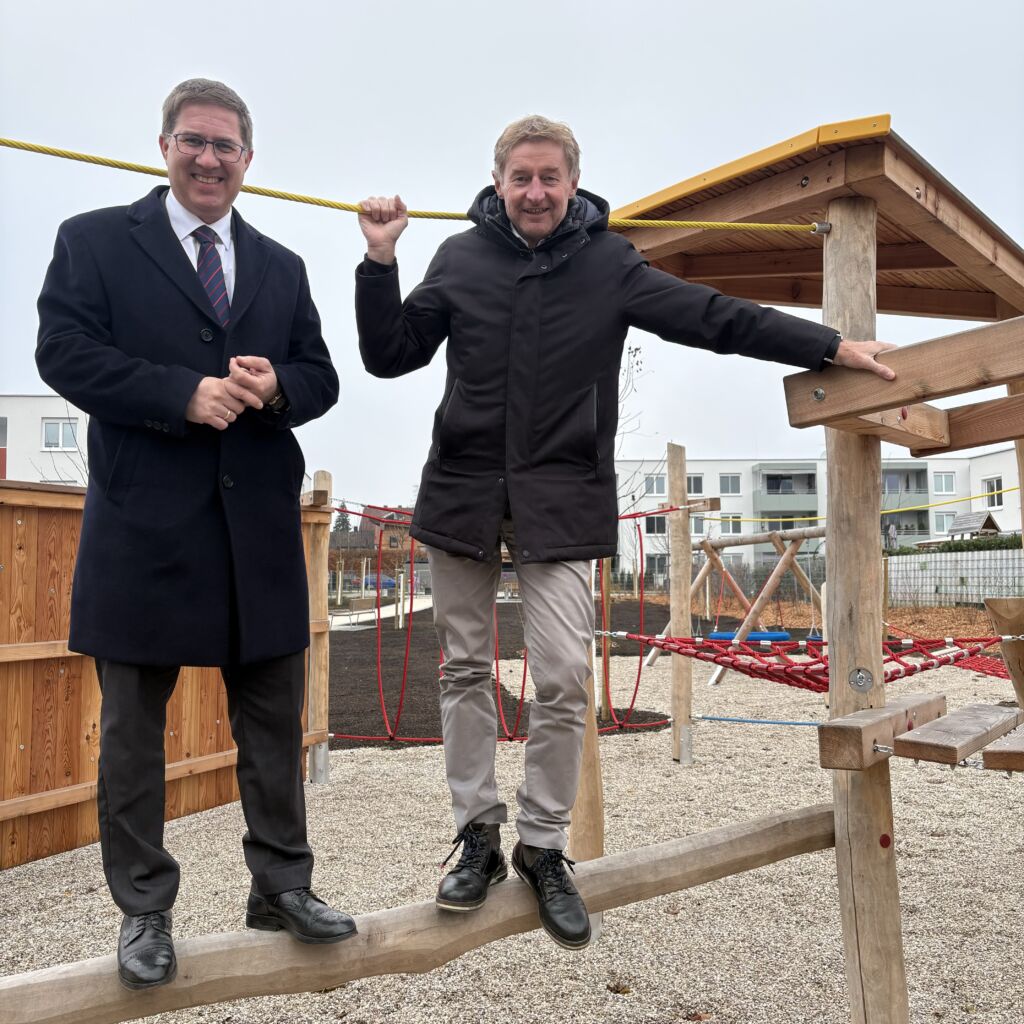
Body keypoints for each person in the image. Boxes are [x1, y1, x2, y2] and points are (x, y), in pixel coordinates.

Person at [354, 115, 897, 950]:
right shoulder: (460, 259)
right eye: (520, 178)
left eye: (549, 178)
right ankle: (478, 834)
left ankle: (542, 845)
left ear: (573, 183)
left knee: (567, 676)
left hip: (562, 498)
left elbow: (715, 318)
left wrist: (829, 344)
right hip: (463, 493)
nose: (535, 192)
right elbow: (390, 355)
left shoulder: (607, 263)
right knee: (463, 667)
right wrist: (379, 261)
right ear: (498, 183)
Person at [36, 78, 353, 992]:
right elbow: (63, 352)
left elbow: (322, 377)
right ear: (165, 146)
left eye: (226, 147)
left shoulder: (281, 264)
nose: (209, 159)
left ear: (248, 160)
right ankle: (143, 909)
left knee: (272, 721)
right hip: (144, 528)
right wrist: (181, 392)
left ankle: (282, 887)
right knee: (133, 734)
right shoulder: (94, 241)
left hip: (254, 527)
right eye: (194, 142)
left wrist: (276, 386)